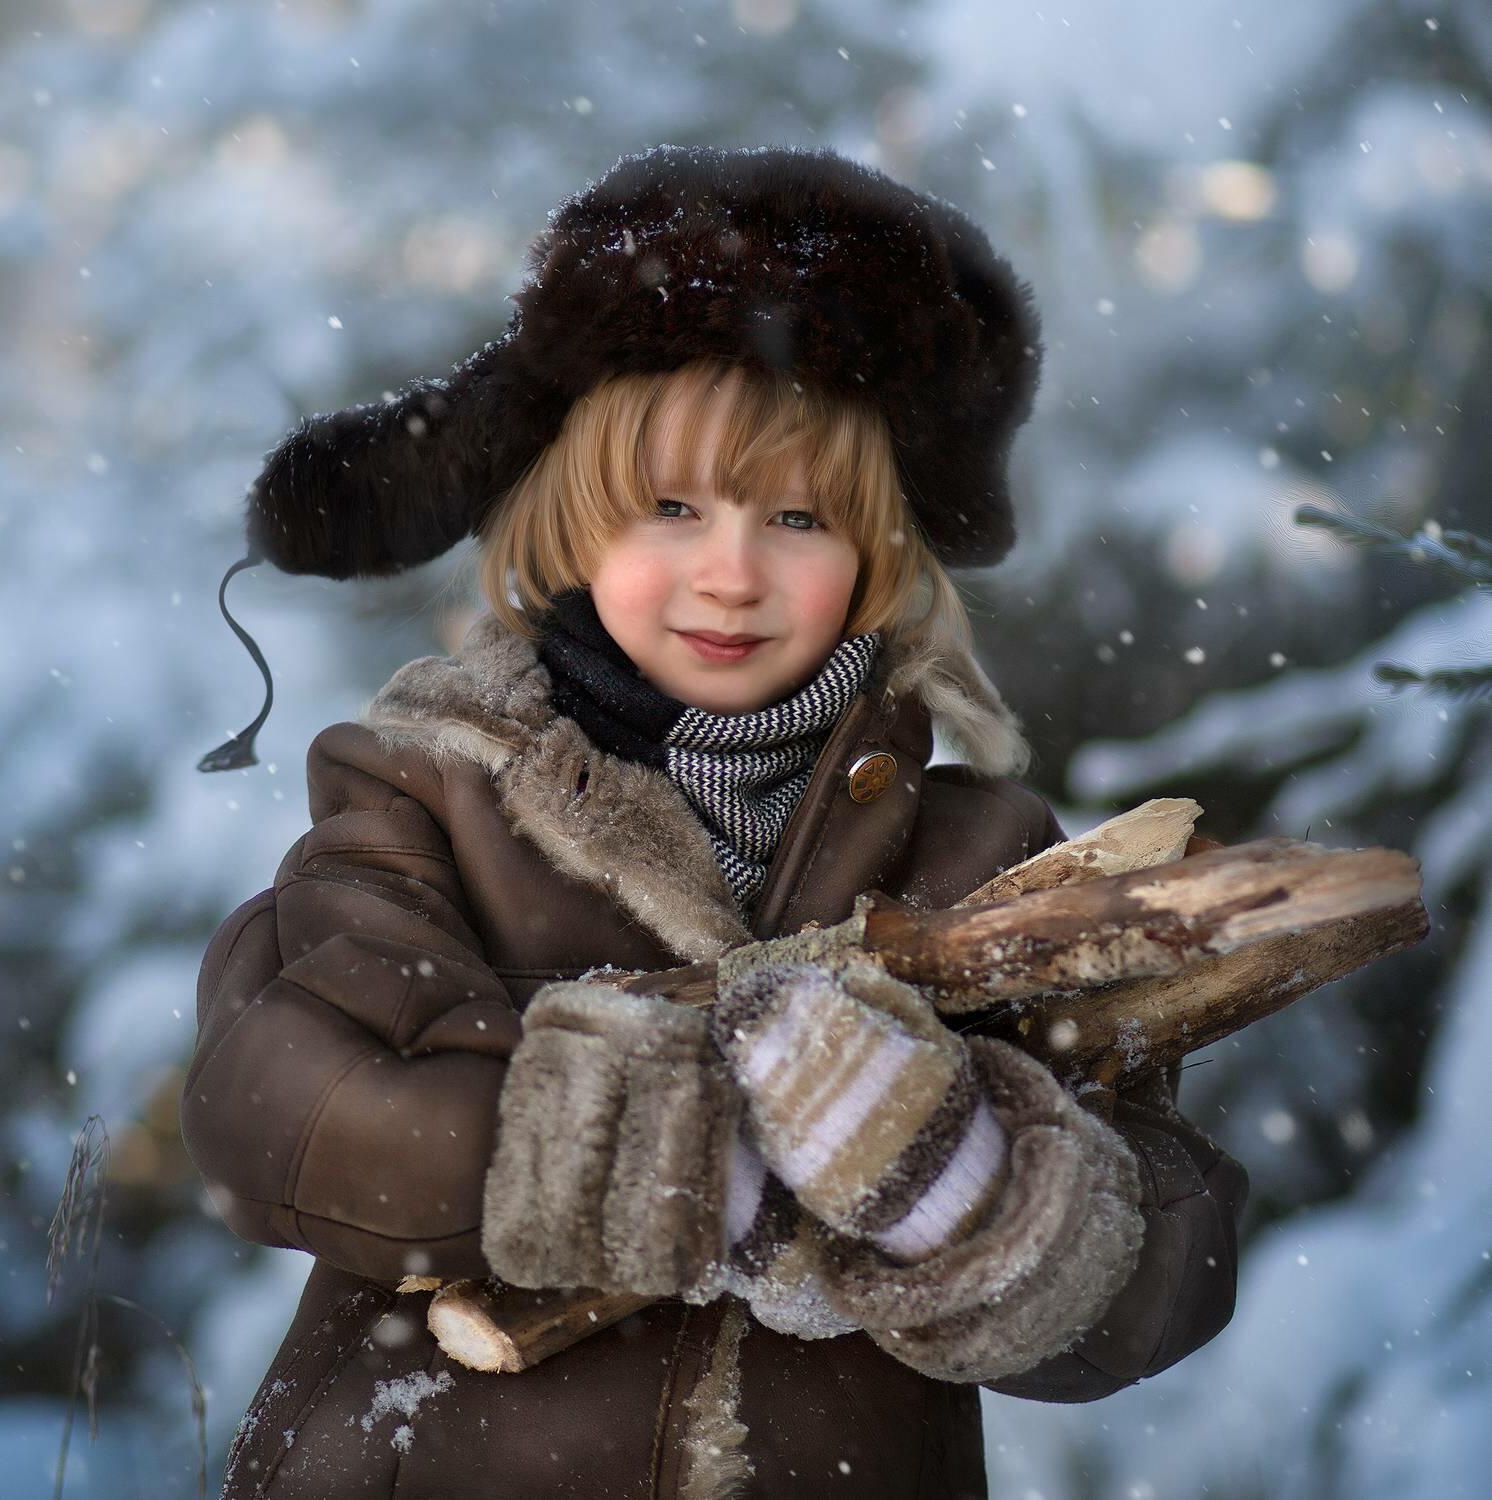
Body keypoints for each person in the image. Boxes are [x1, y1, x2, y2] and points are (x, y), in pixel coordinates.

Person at [182, 144, 1248, 1499]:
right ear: (570, 522)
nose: (731, 574)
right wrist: (701, 1169)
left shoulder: (979, 856)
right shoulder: (426, 790)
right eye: (668, 509)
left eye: (799, 517)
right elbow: (289, 1099)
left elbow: (1173, 1247)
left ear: (876, 551)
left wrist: (973, 1202)